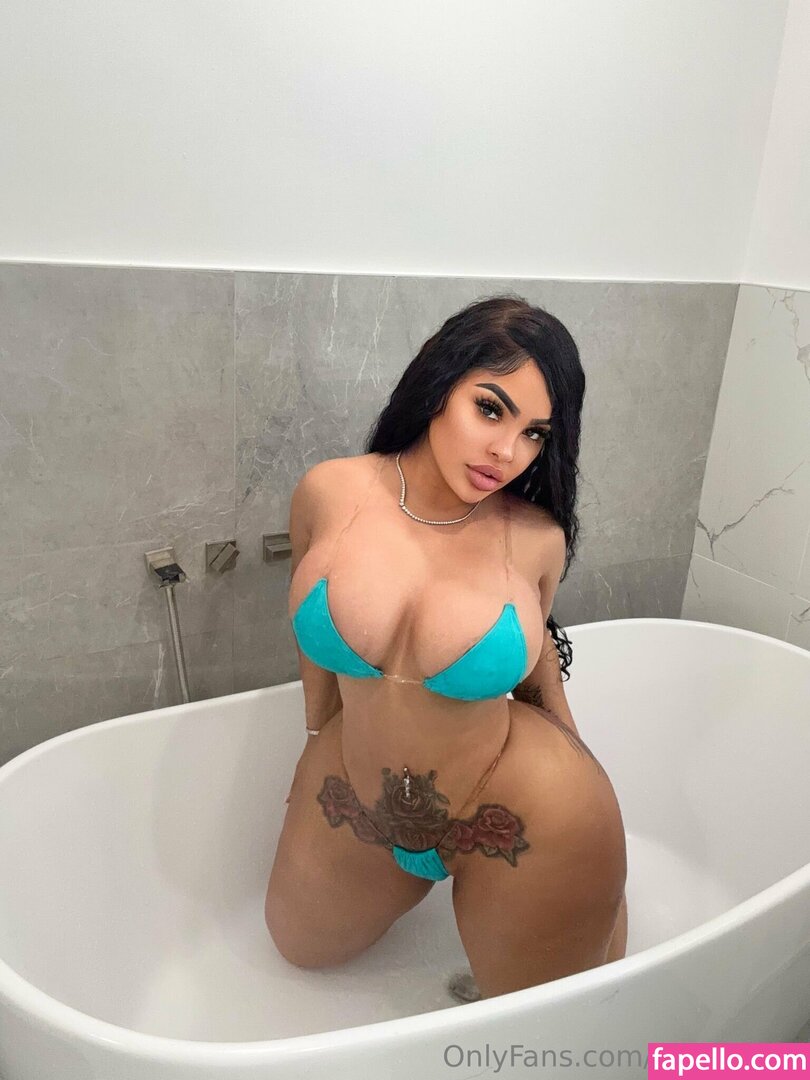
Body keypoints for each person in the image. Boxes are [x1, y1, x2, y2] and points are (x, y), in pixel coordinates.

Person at [265, 295, 628, 999]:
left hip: (520, 815)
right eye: (491, 409)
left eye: (535, 434)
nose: (507, 452)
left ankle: (605, 934)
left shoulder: (535, 538)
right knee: (297, 951)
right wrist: (314, 741)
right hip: (358, 794)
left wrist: (596, 811)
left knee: (536, 1035)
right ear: (438, 385)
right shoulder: (329, 492)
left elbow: (537, 676)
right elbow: (310, 641)